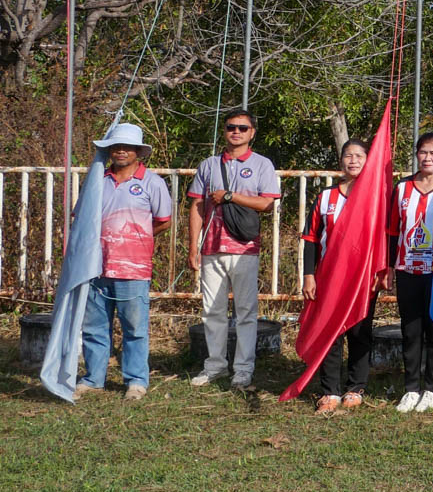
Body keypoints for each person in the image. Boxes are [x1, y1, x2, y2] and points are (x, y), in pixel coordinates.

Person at [74, 123, 173, 402]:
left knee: (134, 328)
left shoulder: (152, 182)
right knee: (94, 326)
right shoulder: (97, 180)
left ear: (138, 152)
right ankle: (93, 378)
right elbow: (81, 217)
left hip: (133, 267)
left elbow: (163, 221)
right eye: (115, 147)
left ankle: (136, 381)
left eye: (127, 147)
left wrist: (135, 237)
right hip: (95, 266)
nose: (121, 151)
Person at [187, 109, 281, 390]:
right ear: (224, 130)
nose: (236, 132)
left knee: (245, 312)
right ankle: (215, 365)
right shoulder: (209, 165)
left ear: (252, 133)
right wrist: (193, 246)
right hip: (211, 247)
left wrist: (231, 196)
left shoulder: (262, 164)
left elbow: (267, 203)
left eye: (242, 128)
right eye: (231, 127)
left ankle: (243, 369)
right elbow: (197, 206)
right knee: (212, 310)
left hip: (245, 248)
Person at [301, 139, 383, 414]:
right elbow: (311, 238)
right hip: (329, 276)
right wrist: (309, 275)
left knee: (359, 331)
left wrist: (382, 271)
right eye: (348, 155)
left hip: (362, 278)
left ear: (368, 161)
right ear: (341, 161)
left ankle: (356, 387)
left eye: (359, 156)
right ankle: (330, 391)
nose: (353, 160)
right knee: (330, 332)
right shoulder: (325, 197)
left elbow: (385, 238)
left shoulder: (377, 197)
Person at [392, 132, 433, 413]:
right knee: (410, 330)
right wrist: (388, 266)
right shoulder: (402, 188)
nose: (427, 158)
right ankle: (411, 388)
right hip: (407, 269)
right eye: (422, 152)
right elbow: (391, 230)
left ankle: (432, 388)